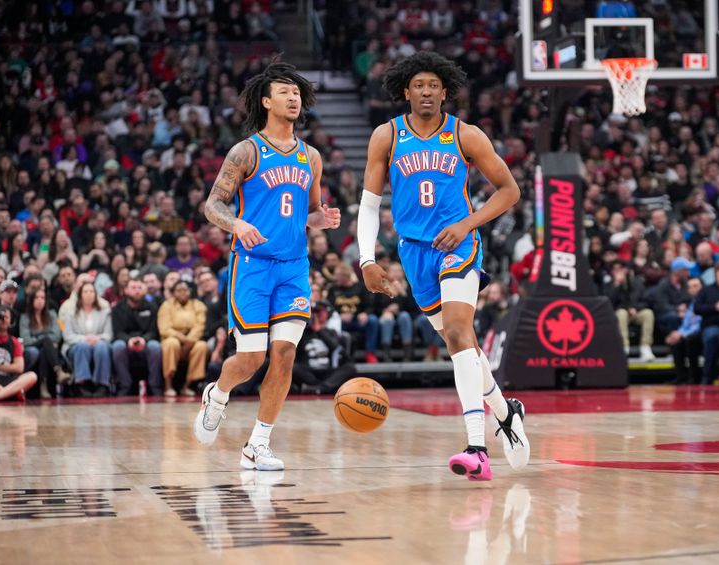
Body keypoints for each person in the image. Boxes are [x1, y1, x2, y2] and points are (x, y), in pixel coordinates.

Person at [358, 52, 528, 481]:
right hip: (414, 253)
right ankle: (506, 411)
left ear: (445, 91)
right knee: (462, 345)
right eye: (420, 85)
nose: (428, 91)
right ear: (406, 91)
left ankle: (477, 448)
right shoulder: (387, 135)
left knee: (456, 330)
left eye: (435, 84)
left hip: (459, 244)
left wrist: (466, 224)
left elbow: (509, 191)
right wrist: (367, 258)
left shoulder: (465, 135)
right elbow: (369, 205)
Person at [193, 61, 341, 471]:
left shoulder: (311, 156)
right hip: (252, 267)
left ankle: (257, 443)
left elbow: (308, 213)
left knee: (285, 354)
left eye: (297, 92)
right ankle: (217, 395)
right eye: (284, 91)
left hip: (294, 267)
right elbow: (212, 205)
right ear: (266, 100)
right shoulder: (245, 151)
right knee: (251, 359)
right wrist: (237, 223)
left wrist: (321, 220)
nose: (293, 97)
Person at [111, 277, 162, 396]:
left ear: (144, 290)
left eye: (139, 288)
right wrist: (128, 340)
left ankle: (154, 386)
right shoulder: (118, 308)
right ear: (126, 290)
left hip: (145, 342)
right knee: (117, 346)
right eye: (133, 288)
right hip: (126, 343)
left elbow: (154, 331)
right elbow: (117, 331)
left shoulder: (152, 307)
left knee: (155, 347)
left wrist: (144, 340)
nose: (137, 291)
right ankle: (125, 385)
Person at [61, 281, 113, 396]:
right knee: (82, 346)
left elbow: (108, 335)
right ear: (80, 295)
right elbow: (67, 336)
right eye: (85, 292)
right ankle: (82, 382)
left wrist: (97, 338)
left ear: (96, 294)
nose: (89, 294)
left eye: (91, 291)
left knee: (101, 347)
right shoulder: (70, 312)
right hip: (75, 345)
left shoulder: (105, 312)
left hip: (99, 343)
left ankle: (102, 384)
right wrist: (85, 338)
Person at [157, 279, 208, 397]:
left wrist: (190, 340)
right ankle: (168, 385)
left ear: (190, 291)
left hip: (192, 339)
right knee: (171, 343)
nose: (182, 293)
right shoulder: (166, 305)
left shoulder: (198, 305)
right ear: (173, 293)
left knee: (202, 346)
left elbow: (200, 325)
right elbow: (164, 328)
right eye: (178, 290)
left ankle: (187, 385)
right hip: (173, 338)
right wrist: (183, 339)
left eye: (185, 290)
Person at [20, 288, 71, 398]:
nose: (40, 300)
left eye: (42, 298)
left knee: (44, 350)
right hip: (32, 348)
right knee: (46, 340)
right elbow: (26, 340)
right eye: (37, 298)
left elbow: (57, 335)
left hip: (47, 350)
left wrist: (39, 337)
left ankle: (43, 386)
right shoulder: (25, 317)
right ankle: (58, 371)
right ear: (31, 300)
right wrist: (44, 339)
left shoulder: (52, 314)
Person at [664, 277, 703, 384]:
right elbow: (686, 324)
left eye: (696, 286)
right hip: (689, 333)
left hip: (701, 333)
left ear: (702, 287)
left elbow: (700, 324)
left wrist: (683, 334)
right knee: (675, 343)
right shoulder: (691, 304)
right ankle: (681, 376)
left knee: (690, 340)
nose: (694, 289)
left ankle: (694, 377)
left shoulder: (704, 302)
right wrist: (678, 333)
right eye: (690, 287)